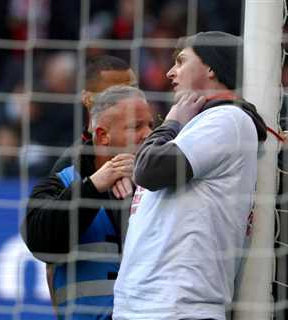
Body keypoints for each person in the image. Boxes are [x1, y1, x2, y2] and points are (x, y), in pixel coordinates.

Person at [113, 31, 268, 320]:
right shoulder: (197, 125)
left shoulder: (227, 120)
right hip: (143, 306)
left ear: (211, 67)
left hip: (178, 307)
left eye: (181, 61)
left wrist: (171, 122)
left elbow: (149, 169)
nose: (171, 72)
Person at [21, 85, 153, 319]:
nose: (148, 134)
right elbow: (40, 242)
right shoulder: (60, 182)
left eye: (151, 125)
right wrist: (94, 187)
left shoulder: (158, 187)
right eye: (136, 126)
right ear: (102, 136)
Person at [45, 55, 138, 309]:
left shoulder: (154, 156)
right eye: (116, 93)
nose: (128, 100)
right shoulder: (68, 167)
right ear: (87, 99)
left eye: (133, 89)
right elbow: (51, 255)